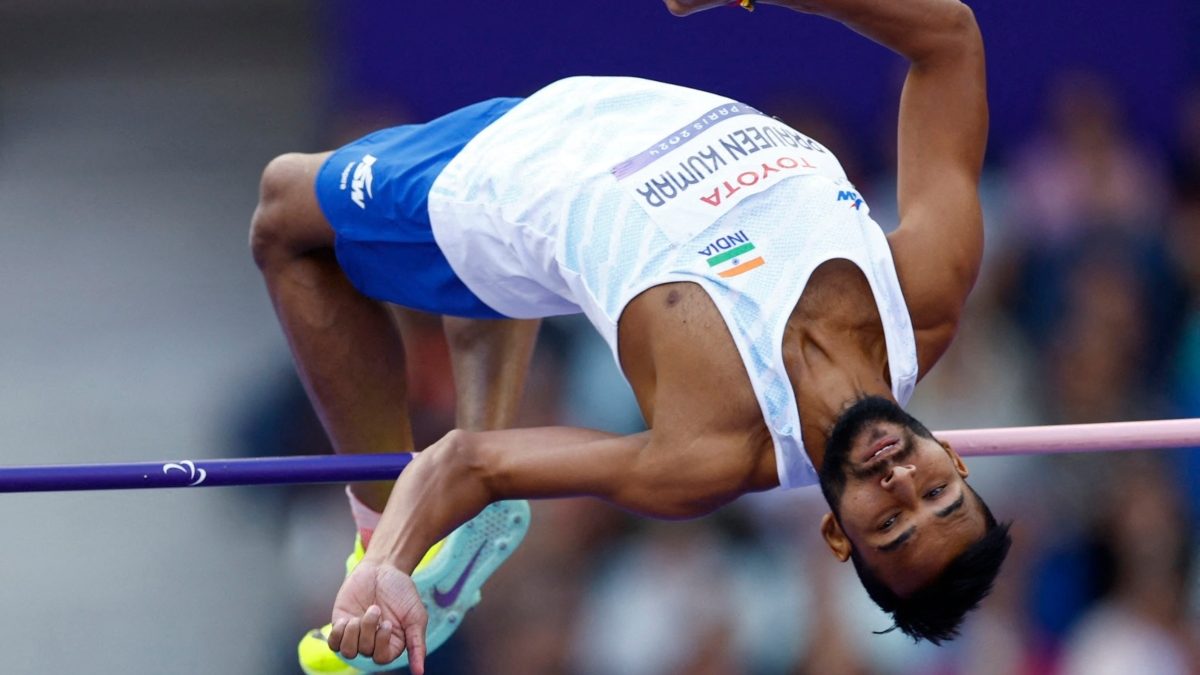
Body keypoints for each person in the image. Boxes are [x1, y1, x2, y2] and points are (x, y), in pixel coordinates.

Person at [249, 0, 1013, 671]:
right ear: (952, 458)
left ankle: (381, 514)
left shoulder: (707, 451)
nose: (902, 482)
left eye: (888, 521)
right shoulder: (925, 297)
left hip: (515, 174)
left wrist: (388, 561)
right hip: (596, 115)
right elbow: (949, 38)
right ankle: (453, 527)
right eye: (939, 493)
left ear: (837, 532)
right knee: (493, 278)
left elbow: (469, 462)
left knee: (284, 214)